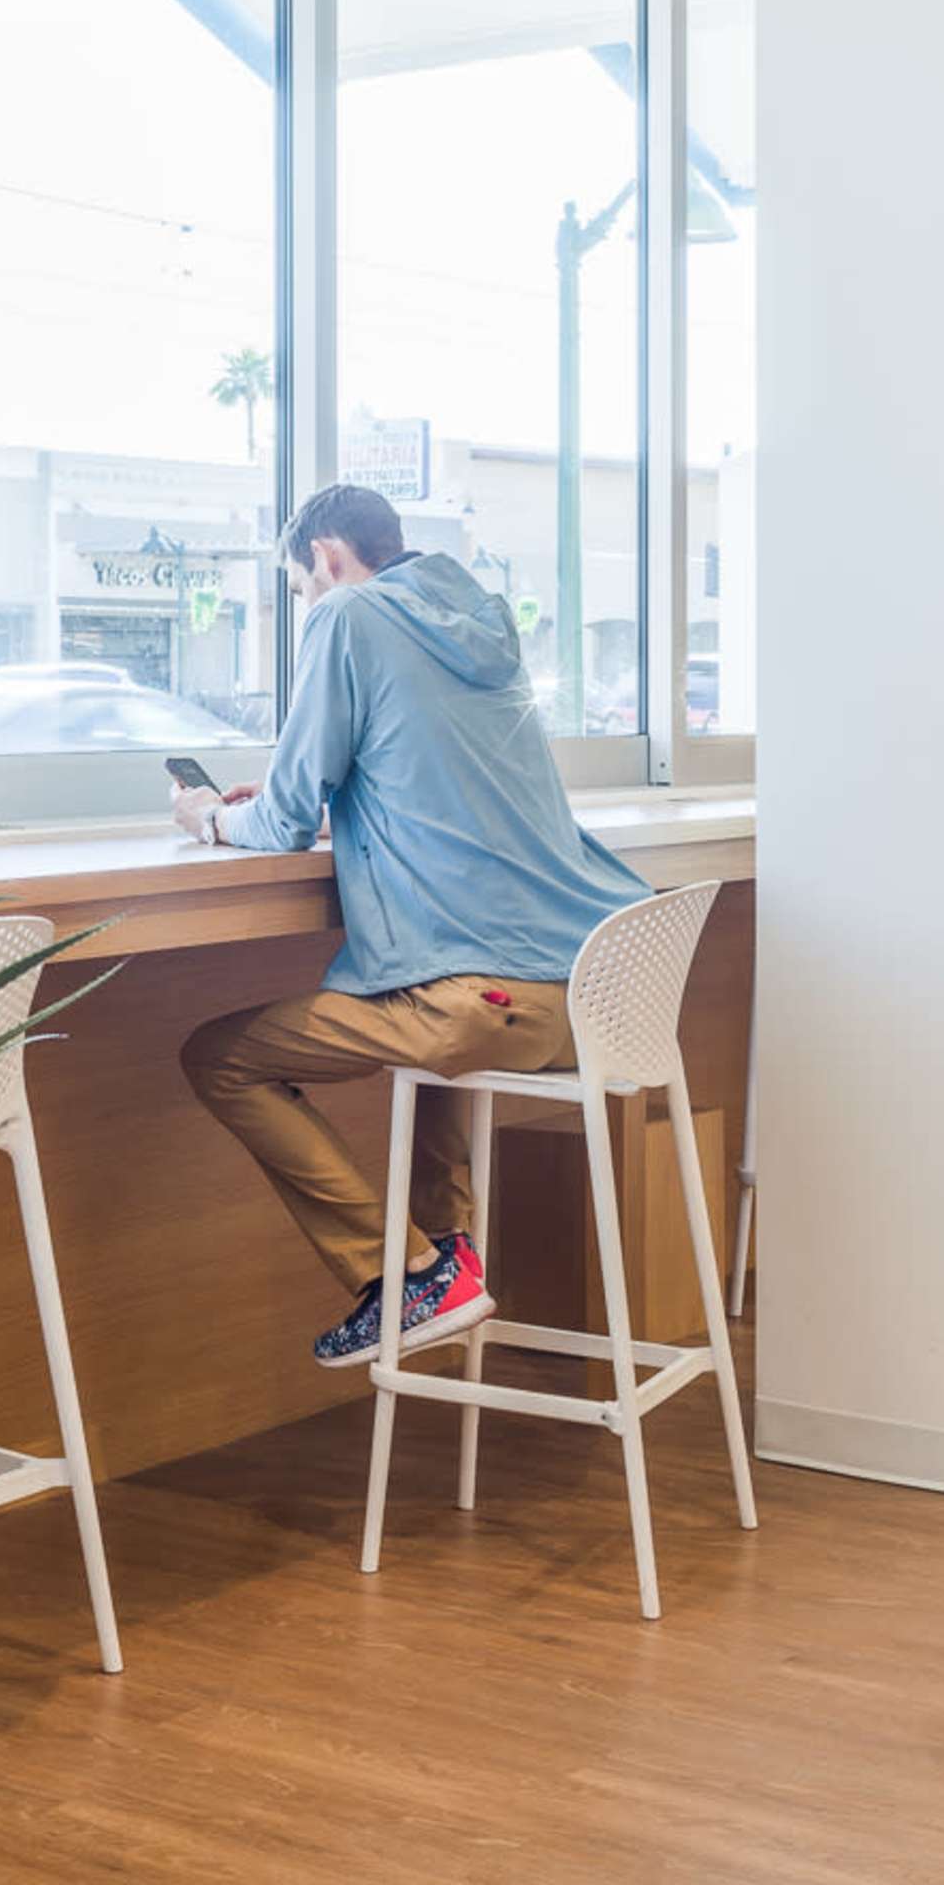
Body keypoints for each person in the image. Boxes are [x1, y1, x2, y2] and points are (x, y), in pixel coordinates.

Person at [174, 484, 650, 1368]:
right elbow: (426, 785)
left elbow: (275, 825)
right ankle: (449, 1257)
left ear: (324, 557)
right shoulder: (478, 620)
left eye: (303, 586)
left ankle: (402, 1273)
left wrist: (207, 817)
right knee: (432, 1025)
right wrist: (324, 808)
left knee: (220, 1056)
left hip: (488, 1002)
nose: (311, 602)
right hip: (589, 993)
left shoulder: (348, 615)